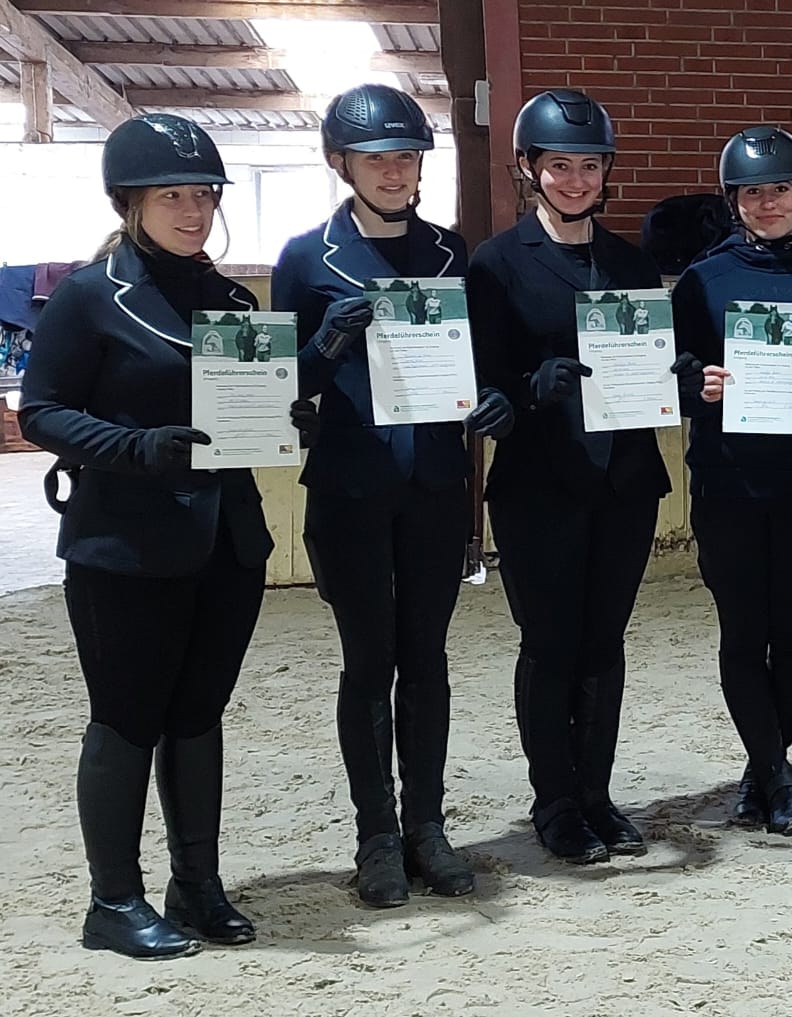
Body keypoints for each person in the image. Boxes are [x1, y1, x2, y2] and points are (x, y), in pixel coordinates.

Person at [21, 113, 304, 958]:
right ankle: (112, 900)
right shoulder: (87, 296)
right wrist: (136, 447)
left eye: (204, 195)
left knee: (198, 714)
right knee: (127, 716)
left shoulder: (232, 301)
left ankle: (197, 883)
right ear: (131, 201)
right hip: (126, 544)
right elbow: (41, 411)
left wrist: (290, 420)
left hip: (227, 541)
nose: (193, 210)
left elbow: (250, 406)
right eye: (172, 195)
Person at [272, 82, 516, 906]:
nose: (393, 171)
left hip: (435, 483)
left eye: (406, 157)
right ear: (341, 163)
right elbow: (281, 384)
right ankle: (375, 833)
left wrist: (493, 398)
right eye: (376, 158)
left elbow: (473, 360)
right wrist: (324, 345)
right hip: (350, 483)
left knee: (427, 658)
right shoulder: (305, 257)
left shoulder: (450, 253)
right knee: (368, 659)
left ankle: (427, 824)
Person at [468, 89, 671, 864]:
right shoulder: (496, 264)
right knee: (550, 644)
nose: (576, 181)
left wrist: (678, 375)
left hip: (623, 481)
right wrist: (528, 390)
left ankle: (597, 794)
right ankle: (554, 800)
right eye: (560, 166)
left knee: (604, 643)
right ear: (530, 168)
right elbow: (480, 383)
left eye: (589, 166)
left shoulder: (630, 262)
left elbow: (651, 364)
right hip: (539, 484)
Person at [671, 125, 792, 835]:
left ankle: (765, 766)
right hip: (728, 483)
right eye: (752, 192)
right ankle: (778, 776)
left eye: (780, 188)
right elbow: (672, 374)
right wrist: (699, 385)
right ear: (733, 201)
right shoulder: (701, 281)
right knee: (742, 629)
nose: (768, 202)